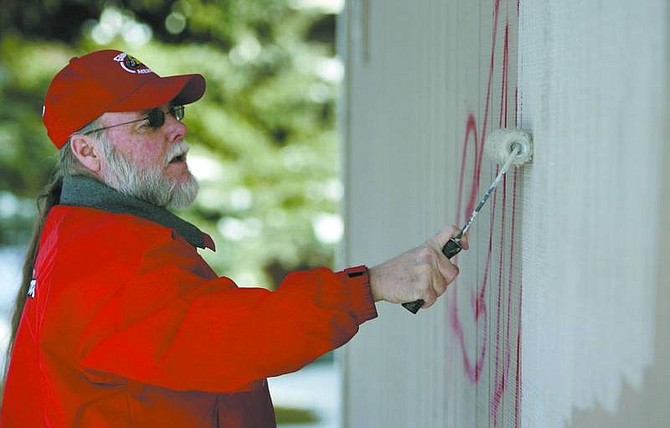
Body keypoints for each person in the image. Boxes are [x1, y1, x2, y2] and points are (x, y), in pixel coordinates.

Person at [0, 49, 467, 427]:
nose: (178, 127)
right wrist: (373, 285)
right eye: (151, 120)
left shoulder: (97, 236)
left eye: (174, 111)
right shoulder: (99, 255)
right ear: (87, 151)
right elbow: (234, 339)